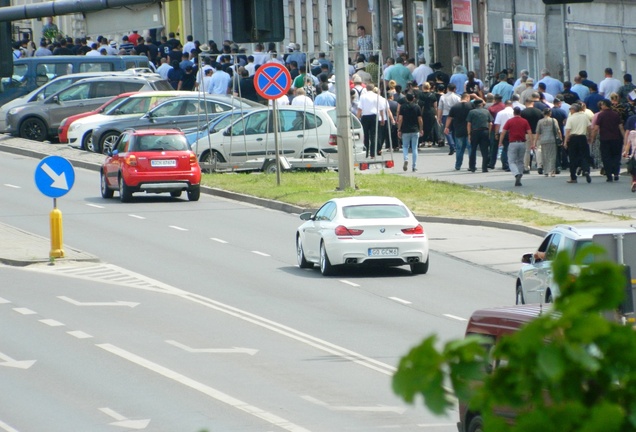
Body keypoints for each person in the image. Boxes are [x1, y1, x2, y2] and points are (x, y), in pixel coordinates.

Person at [591, 99, 625, 182]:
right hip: (616, 138)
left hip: (605, 139)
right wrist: (624, 138)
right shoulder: (616, 114)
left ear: (605, 105)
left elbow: (596, 128)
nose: (601, 106)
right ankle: (616, 173)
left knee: (606, 157)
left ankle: (609, 175)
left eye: (602, 104)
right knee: (616, 156)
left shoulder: (601, 115)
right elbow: (620, 127)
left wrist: (593, 138)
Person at [499, 107, 531, 186]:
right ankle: (519, 176)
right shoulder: (525, 121)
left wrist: (500, 142)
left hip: (513, 143)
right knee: (520, 161)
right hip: (522, 143)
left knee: (511, 161)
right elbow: (529, 132)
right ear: (520, 113)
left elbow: (503, 132)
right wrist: (532, 142)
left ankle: (516, 174)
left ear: (514, 113)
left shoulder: (510, 121)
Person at [564, 103, 592, 183]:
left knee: (572, 157)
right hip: (582, 137)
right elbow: (589, 127)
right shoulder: (584, 116)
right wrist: (589, 136)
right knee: (584, 155)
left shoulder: (571, 118)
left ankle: (573, 177)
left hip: (573, 138)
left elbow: (568, 130)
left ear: (573, 110)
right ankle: (586, 170)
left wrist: (565, 141)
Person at [445, 93, 473, 170]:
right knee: (470, 148)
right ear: (467, 97)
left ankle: (458, 165)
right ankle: (471, 165)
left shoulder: (455, 107)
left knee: (459, 149)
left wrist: (446, 127)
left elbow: (449, 118)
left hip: (458, 130)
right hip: (469, 131)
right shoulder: (471, 106)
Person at [397, 93, 423, 172]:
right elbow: (420, 119)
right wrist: (421, 129)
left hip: (405, 130)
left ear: (406, 99)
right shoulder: (417, 107)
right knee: (414, 148)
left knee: (405, 147)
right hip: (415, 130)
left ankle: (406, 158)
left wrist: (399, 129)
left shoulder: (403, 107)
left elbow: (400, 118)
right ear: (413, 98)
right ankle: (414, 166)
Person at [466, 98, 493, 173]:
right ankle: (484, 168)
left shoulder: (471, 112)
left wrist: (469, 134)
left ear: (474, 105)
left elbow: (469, 124)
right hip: (485, 131)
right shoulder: (486, 111)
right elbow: (490, 123)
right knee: (485, 150)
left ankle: (472, 167)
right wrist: (489, 132)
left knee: (473, 149)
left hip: (475, 132)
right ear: (481, 105)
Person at [358, 83, 384, 158]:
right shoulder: (377, 96)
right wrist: (382, 118)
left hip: (365, 116)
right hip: (374, 116)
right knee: (373, 135)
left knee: (365, 135)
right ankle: (372, 154)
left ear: (366, 89)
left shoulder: (363, 96)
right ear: (373, 89)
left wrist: (357, 117)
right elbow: (381, 109)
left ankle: (366, 153)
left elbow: (360, 108)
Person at [534, 108, 562, 177]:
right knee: (552, 156)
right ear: (550, 113)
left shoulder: (540, 121)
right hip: (552, 140)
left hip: (543, 140)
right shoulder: (553, 120)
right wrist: (560, 138)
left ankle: (546, 171)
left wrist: (535, 142)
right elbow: (558, 130)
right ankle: (552, 171)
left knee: (544, 155)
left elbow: (537, 132)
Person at [438, 83, 461, 155]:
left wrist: (439, 117)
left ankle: (451, 145)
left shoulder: (443, 97)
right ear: (454, 89)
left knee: (447, 131)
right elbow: (459, 107)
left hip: (445, 115)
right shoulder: (458, 97)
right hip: (456, 115)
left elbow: (440, 108)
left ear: (447, 88)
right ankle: (456, 146)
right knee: (455, 131)